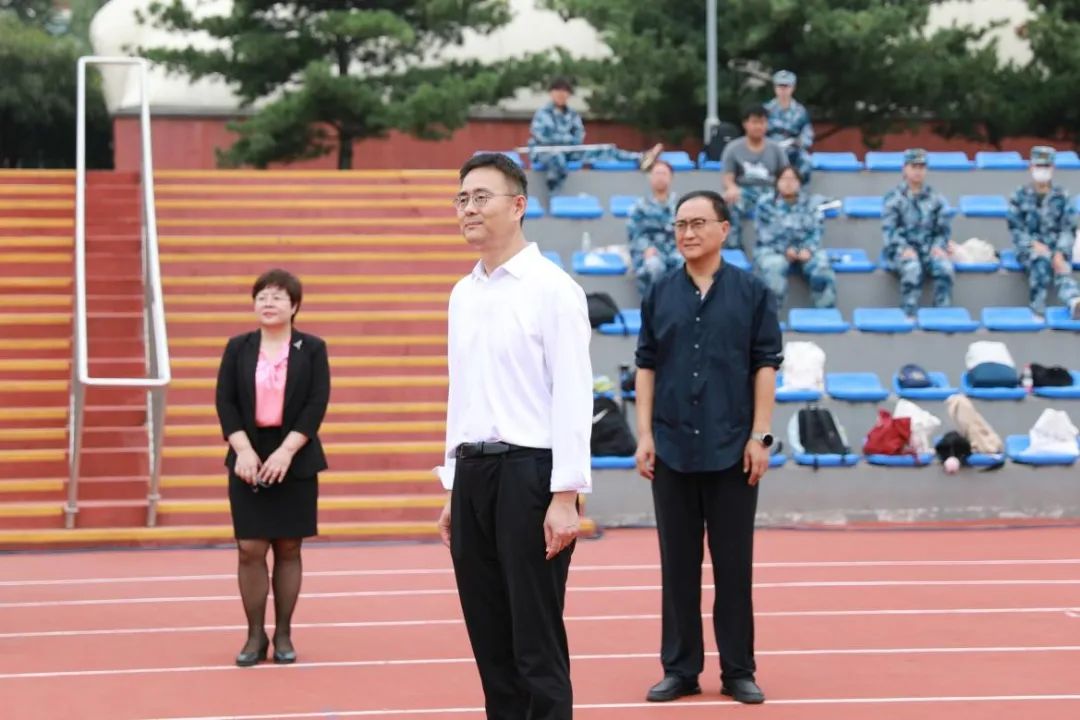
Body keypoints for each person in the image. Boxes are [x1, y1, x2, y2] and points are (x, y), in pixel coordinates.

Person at [435, 152, 594, 720]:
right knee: (490, 642)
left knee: (535, 642)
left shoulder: (554, 289)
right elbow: (461, 393)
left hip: (530, 475)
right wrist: (453, 485)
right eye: (462, 199)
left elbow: (573, 395)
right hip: (473, 476)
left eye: (481, 197)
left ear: (518, 204)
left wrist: (565, 495)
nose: (468, 209)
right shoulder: (463, 293)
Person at [634, 190, 782, 706]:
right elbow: (646, 365)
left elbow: (765, 365)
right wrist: (645, 434)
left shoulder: (753, 292)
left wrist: (760, 436)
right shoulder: (659, 292)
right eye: (680, 224)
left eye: (698, 223)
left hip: (732, 450)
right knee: (676, 567)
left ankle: (739, 670)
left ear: (723, 229)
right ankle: (680, 669)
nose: (688, 233)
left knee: (733, 567)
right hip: (672, 447)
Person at [215, 268, 331, 667]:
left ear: (294, 306)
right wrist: (243, 451)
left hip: (295, 454)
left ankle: (283, 633)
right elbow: (225, 402)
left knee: (288, 546)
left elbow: (316, 403)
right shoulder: (238, 348)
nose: (268, 303)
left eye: (278, 297)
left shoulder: (312, 348)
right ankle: (254, 635)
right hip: (248, 453)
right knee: (250, 547)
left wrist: (286, 452)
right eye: (262, 296)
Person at [529, 76, 663, 192]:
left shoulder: (572, 114)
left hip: (571, 151)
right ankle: (555, 195)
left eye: (565, 91)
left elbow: (579, 136)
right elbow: (542, 137)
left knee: (605, 150)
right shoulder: (542, 113)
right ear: (551, 93)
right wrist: (566, 139)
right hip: (546, 153)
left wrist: (567, 141)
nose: (561, 94)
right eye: (558, 90)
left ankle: (640, 158)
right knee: (557, 159)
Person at [1006, 145, 1080, 320]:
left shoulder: (1062, 196)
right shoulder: (1019, 195)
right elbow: (1016, 228)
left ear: (1052, 168)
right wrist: (1032, 244)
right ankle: (1037, 309)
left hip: (1055, 248)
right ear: (1031, 167)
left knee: (1061, 267)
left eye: (1046, 166)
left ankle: (1074, 301)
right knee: (1041, 261)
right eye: (1038, 166)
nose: (1042, 170)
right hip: (1028, 250)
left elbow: (1068, 228)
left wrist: (1060, 252)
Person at [881, 148, 954, 317]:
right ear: (905, 169)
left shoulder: (936, 198)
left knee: (945, 268)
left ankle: (942, 316)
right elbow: (890, 231)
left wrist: (938, 246)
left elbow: (943, 230)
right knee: (912, 268)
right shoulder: (893, 198)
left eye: (921, 167)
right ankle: (909, 315)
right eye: (913, 167)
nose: (918, 171)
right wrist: (903, 248)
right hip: (901, 251)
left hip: (928, 249)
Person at [753, 166, 837, 309]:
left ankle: (823, 315)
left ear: (799, 183)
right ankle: (769, 317)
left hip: (804, 250)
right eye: (784, 179)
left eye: (793, 179)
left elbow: (816, 231)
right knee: (774, 267)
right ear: (777, 182)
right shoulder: (765, 203)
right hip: (773, 250)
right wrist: (785, 249)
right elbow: (764, 234)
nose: (788, 183)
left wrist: (808, 249)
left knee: (822, 268)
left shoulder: (810, 203)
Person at [721, 104, 789, 251]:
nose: (758, 126)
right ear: (745, 124)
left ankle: (774, 247)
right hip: (744, 191)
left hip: (770, 192)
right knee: (729, 203)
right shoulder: (733, 148)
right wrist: (732, 188)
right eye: (754, 122)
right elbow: (728, 177)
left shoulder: (776, 149)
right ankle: (733, 248)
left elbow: (785, 175)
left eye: (762, 122)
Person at [627, 159, 682, 296]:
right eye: (657, 173)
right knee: (654, 266)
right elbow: (634, 234)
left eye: (664, 174)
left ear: (671, 178)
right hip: (651, 251)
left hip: (675, 250)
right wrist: (645, 248)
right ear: (650, 177)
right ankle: (654, 304)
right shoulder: (640, 206)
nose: (660, 177)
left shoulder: (680, 206)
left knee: (686, 265)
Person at [765, 70, 814, 183]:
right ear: (775, 88)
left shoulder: (800, 111)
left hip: (793, 149)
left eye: (786, 86)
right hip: (770, 148)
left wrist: (800, 142)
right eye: (780, 86)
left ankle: (798, 190)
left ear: (793, 88)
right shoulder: (766, 109)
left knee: (806, 161)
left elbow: (807, 133)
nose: (783, 90)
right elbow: (758, 132)